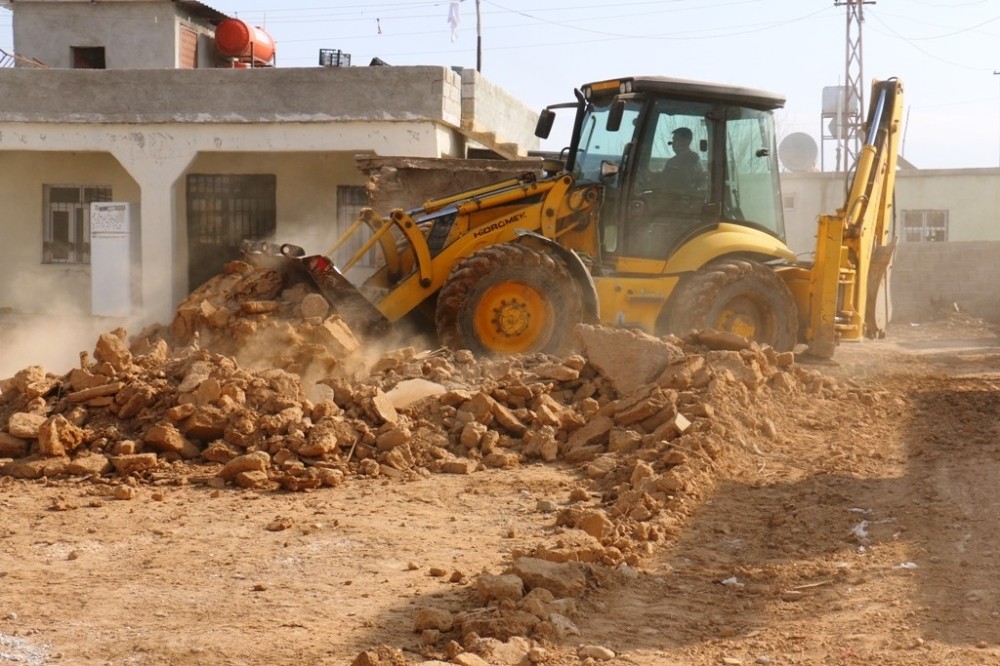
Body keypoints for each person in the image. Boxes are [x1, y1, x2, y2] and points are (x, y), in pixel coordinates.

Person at [661, 127, 702, 193]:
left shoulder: (693, 159)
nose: (673, 143)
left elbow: (688, 181)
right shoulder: (671, 161)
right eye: (673, 140)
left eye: (677, 140)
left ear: (686, 141)